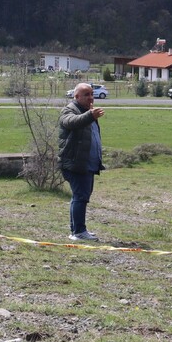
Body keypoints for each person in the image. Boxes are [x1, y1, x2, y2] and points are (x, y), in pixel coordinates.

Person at [58, 83, 105, 241]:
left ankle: (78, 230)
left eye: (92, 94)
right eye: (86, 94)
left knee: (82, 196)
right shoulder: (69, 110)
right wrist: (91, 116)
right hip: (75, 163)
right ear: (76, 96)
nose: (91, 97)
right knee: (80, 196)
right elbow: (71, 122)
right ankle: (78, 232)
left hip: (88, 164)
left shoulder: (88, 112)